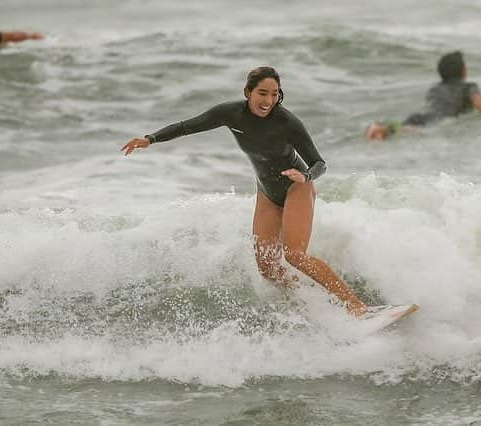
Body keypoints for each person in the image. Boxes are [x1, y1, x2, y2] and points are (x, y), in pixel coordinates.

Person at [121, 66, 371, 317]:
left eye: (275, 94)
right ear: (248, 92)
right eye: (263, 93)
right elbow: (190, 126)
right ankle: (313, 300)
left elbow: (319, 164)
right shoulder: (231, 113)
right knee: (267, 268)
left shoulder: (287, 123)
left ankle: (355, 304)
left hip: (296, 187)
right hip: (267, 192)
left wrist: (304, 176)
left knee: (294, 255)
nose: (269, 101)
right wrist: (150, 139)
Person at [365, 51, 481, 140]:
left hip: (421, 116)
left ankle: (380, 130)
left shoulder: (435, 89)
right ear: (463, 70)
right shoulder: (468, 87)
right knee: (413, 130)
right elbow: (479, 103)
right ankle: (387, 130)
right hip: (441, 120)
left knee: (405, 126)